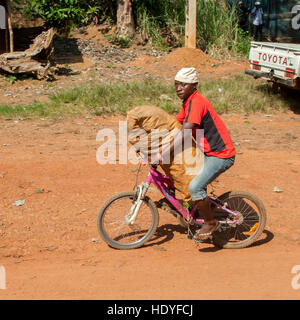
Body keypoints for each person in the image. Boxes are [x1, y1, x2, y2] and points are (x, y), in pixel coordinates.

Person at [151, 67, 236, 242]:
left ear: (194, 85)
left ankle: (210, 222)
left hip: (221, 155)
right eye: (176, 85)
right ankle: (194, 209)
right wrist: (151, 143)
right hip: (207, 152)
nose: (178, 88)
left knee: (195, 187)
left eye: (183, 84)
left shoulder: (197, 102)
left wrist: (162, 154)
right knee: (185, 176)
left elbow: (185, 133)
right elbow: (174, 126)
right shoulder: (187, 103)